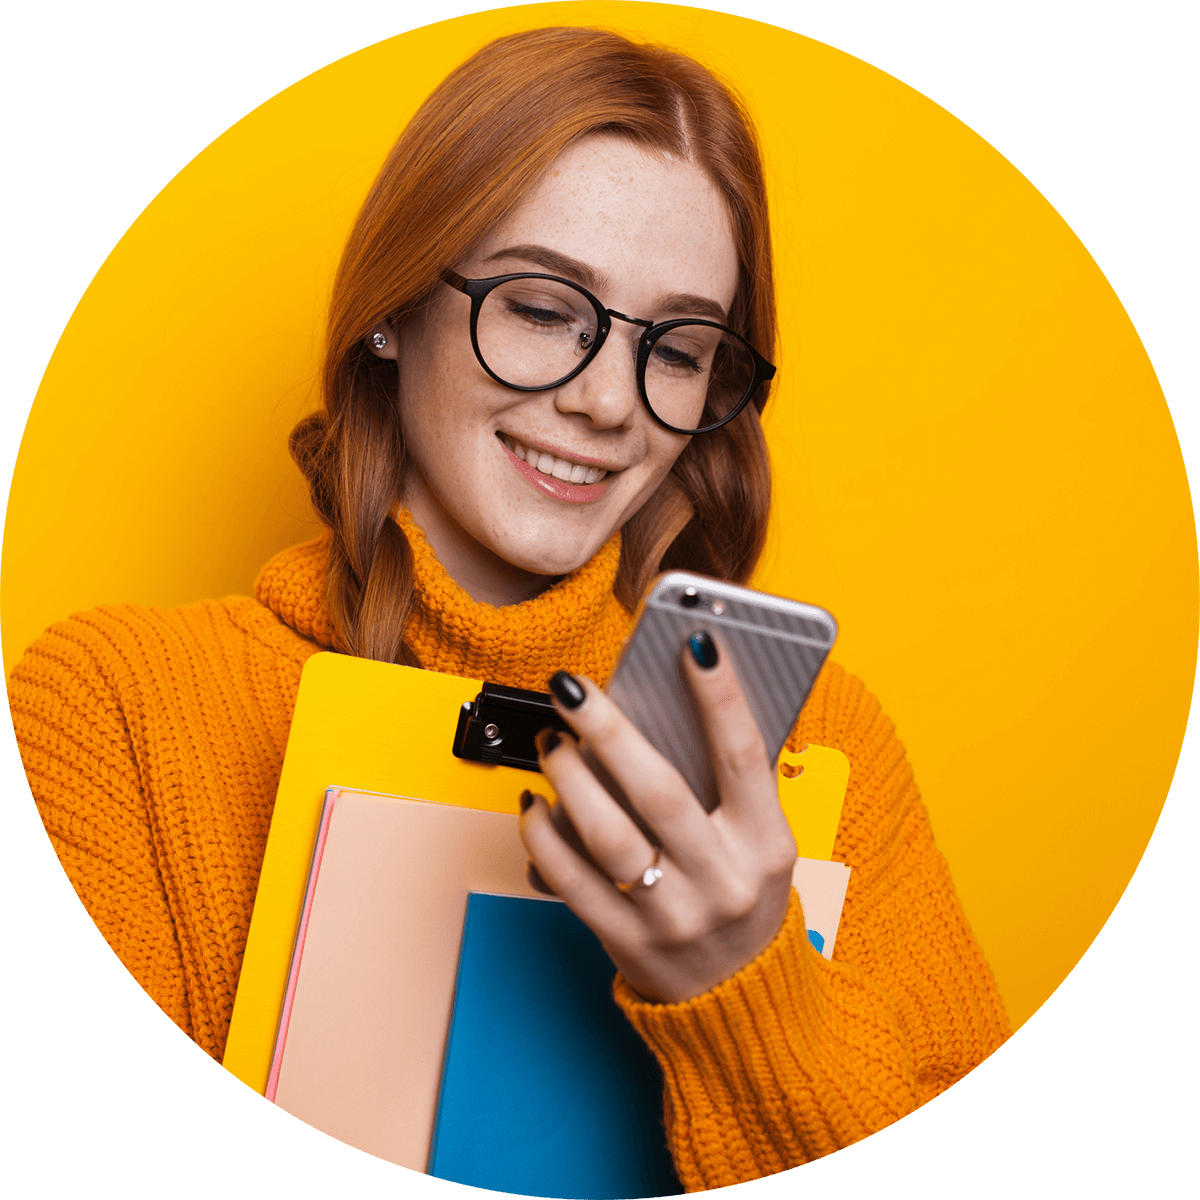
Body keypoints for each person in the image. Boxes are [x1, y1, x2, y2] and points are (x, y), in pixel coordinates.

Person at [12, 26, 1009, 1190]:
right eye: (542, 309)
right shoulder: (116, 711)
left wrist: (751, 991)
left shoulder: (821, 743)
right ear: (393, 309)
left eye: (679, 347)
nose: (603, 404)